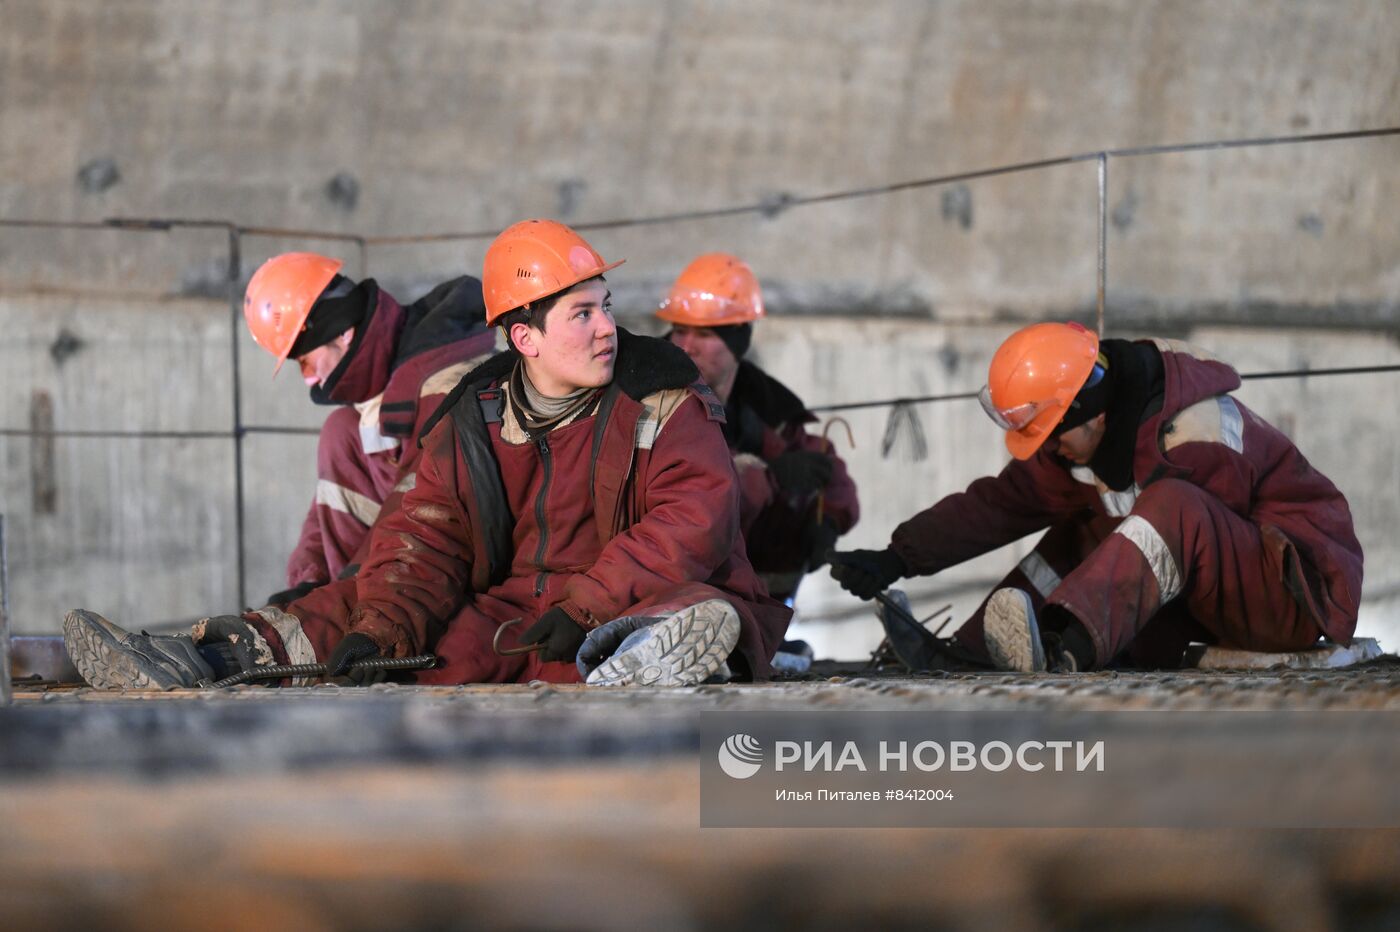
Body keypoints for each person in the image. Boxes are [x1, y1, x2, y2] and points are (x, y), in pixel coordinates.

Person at [66, 221, 790, 689]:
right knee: (379, 611)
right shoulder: (474, 412)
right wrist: (380, 631)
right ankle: (206, 657)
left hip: (628, 592)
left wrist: (590, 602)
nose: (608, 327)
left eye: (604, 303)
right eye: (583, 312)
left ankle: (657, 652)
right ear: (526, 339)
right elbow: (424, 535)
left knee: (689, 609)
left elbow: (696, 515)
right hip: (525, 607)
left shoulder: (659, 390)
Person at [828, 321, 1363, 672]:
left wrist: (1094, 634)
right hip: (1223, 579)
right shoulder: (1086, 436)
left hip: (1292, 589)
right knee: (1086, 527)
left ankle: (1064, 645)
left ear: (1093, 413)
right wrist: (897, 557)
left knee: (1164, 510)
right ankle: (972, 652)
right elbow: (1003, 502)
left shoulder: (1194, 438)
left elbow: (1188, 552)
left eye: (1054, 432)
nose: (1052, 448)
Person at [242, 253, 498, 605]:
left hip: (467, 576)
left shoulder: (444, 385)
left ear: (344, 333)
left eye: (304, 360)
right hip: (402, 567)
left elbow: (422, 504)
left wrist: (346, 596)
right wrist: (309, 584)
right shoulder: (384, 395)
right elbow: (329, 511)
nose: (309, 379)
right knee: (341, 430)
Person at [657, 253, 859, 601]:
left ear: (738, 343)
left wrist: (831, 518)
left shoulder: (765, 405)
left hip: (754, 598)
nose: (686, 346)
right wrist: (769, 477)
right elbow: (698, 494)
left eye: (703, 334)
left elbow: (823, 462)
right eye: (679, 330)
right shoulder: (650, 397)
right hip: (675, 589)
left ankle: (763, 626)